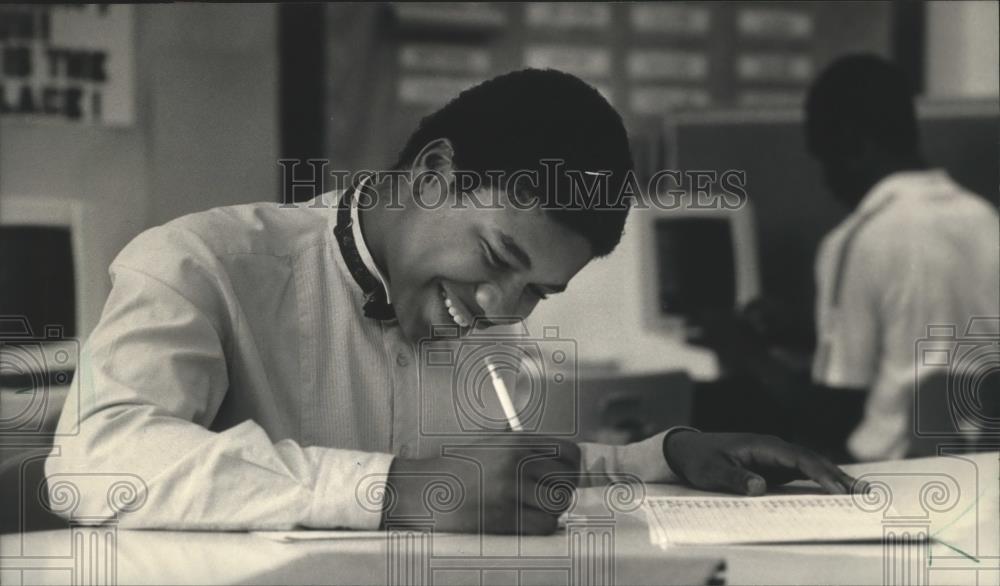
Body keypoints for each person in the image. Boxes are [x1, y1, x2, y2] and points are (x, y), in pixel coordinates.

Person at [46, 69, 857, 534]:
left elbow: (493, 477)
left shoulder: (467, 312)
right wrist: (398, 488)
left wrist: (665, 454)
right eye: (499, 255)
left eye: (537, 290)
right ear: (433, 173)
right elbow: (95, 462)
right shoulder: (200, 262)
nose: (504, 306)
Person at [703, 55, 999, 463]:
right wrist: (811, 333)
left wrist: (744, 352)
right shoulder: (984, 219)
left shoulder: (862, 237)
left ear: (856, 146)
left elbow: (830, 415)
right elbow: (925, 348)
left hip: (892, 483)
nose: (826, 181)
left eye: (824, 158)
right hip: (976, 477)